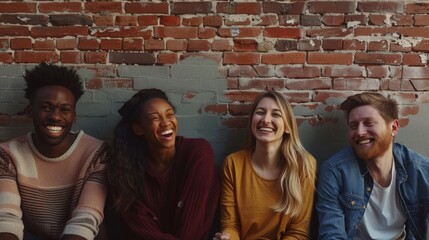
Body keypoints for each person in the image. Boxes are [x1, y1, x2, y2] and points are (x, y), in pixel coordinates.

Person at [0, 63, 110, 239]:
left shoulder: (95, 153)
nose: (55, 116)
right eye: (45, 107)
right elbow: (7, 218)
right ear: (30, 111)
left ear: (74, 116)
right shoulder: (8, 154)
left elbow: (86, 218)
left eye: (65, 110)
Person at [108, 88, 220, 239]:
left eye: (170, 115)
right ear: (138, 129)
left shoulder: (198, 153)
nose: (166, 123)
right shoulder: (126, 172)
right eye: (155, 118)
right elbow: (144, 232)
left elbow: (193, 225)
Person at [316, 92, 429, 240]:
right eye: (353, 126)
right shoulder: (334, 171)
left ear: (393, 128)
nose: (360, 132)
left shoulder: (421, 170)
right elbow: (331, 235)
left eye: (369, 123)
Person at [214, 91, 317, 240]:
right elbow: (231, 225)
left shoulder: (305, 165)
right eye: (260, 112)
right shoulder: (233, 164)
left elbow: (298, 233)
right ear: (252, 122)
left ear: (288, 126)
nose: (266, 120)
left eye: (276, 114)